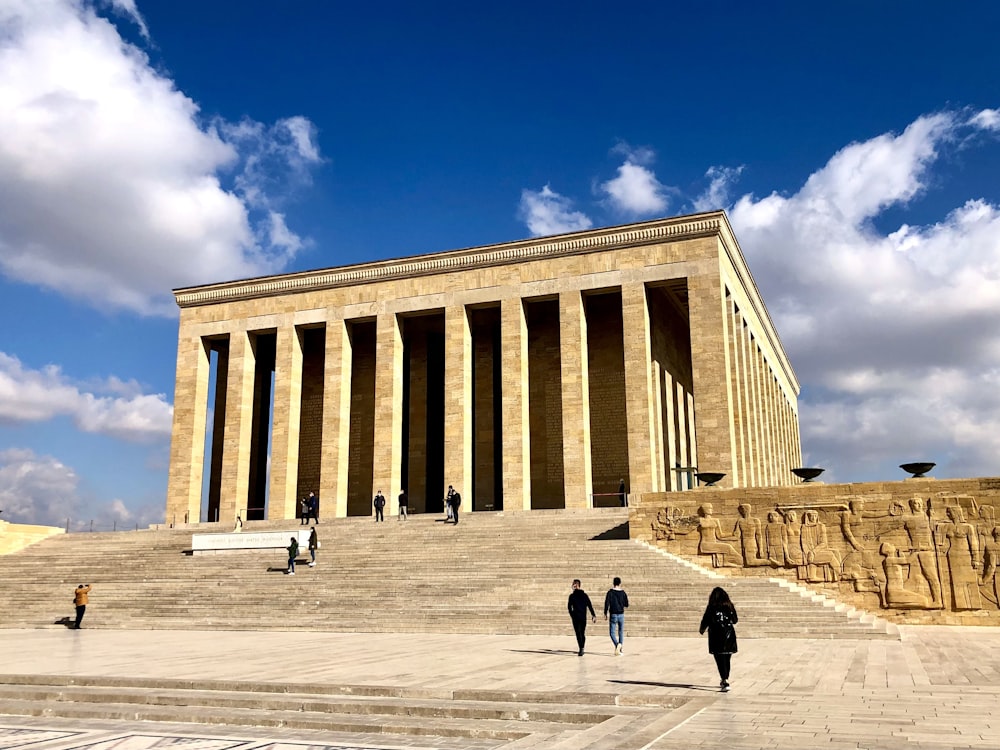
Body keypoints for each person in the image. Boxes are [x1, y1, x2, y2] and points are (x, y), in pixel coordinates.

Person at [699, 586, 738, 692]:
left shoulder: (711, 607)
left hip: (716, 636)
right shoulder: (729, 606)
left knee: (720, 660)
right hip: (729, 636)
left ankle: (724, 680)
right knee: (726, 659)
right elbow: (735, 620)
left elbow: (705, 619)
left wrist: (702, 629)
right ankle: (725, 678)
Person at [567, 579, 596, 656]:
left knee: (580, 633)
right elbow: (569, 607)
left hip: (578, 617)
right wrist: (593, 615)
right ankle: (581, 648)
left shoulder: (579, 595)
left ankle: (581, 647)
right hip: (580, 617)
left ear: (576, 585)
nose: (572, 586)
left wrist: (593, 615)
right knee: (580, 633)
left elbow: (589, 605)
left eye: (573, 584)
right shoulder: (574, 596)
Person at [603, 576, 629, 655]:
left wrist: (605, 613)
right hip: (621, 614)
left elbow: (606, 603)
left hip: (613, 614)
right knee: (620, 632)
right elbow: (626, 604)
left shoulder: (610, 592)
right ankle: (620, 649)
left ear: (613, 583)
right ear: (620, 583)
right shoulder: (623, 593)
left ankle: (617, 645)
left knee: (612, 633)